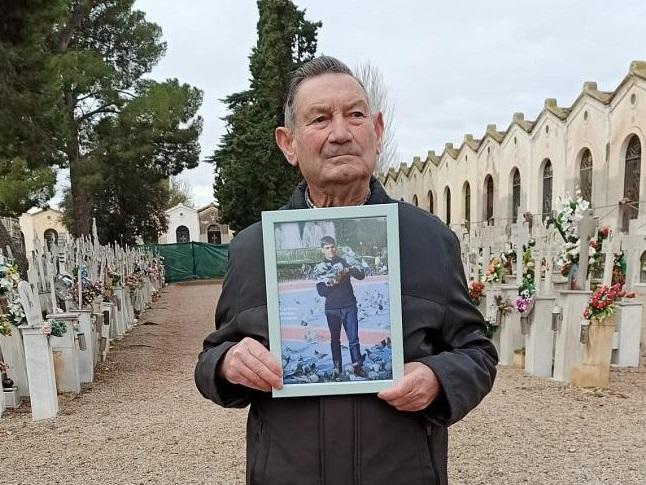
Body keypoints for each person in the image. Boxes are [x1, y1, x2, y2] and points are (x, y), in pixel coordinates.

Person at [195, 55, 498, 485]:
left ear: (376, 130)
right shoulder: (252, 248)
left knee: (352, 341)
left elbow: (477, 352)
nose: (340, 133)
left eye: (355, 115)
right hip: (287, 475)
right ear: (288, 143)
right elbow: (212, 354)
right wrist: (228, 363)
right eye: (319, 119)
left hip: (402, 474)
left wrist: (438, 378)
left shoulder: (430, 240)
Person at [314, 235, 366, 377]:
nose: (331, 250)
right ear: (322, 250)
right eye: (327, 248)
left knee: (353, 339)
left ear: (336, 247)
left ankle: (357, 366)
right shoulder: (319, 268)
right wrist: (333, 282)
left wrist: (348, 270)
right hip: (332, 308)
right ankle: (337, 367)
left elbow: (361, 276)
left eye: (332, 247)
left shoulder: (344, 261)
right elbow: (321, 292)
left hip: (349, 305)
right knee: (335, 339)